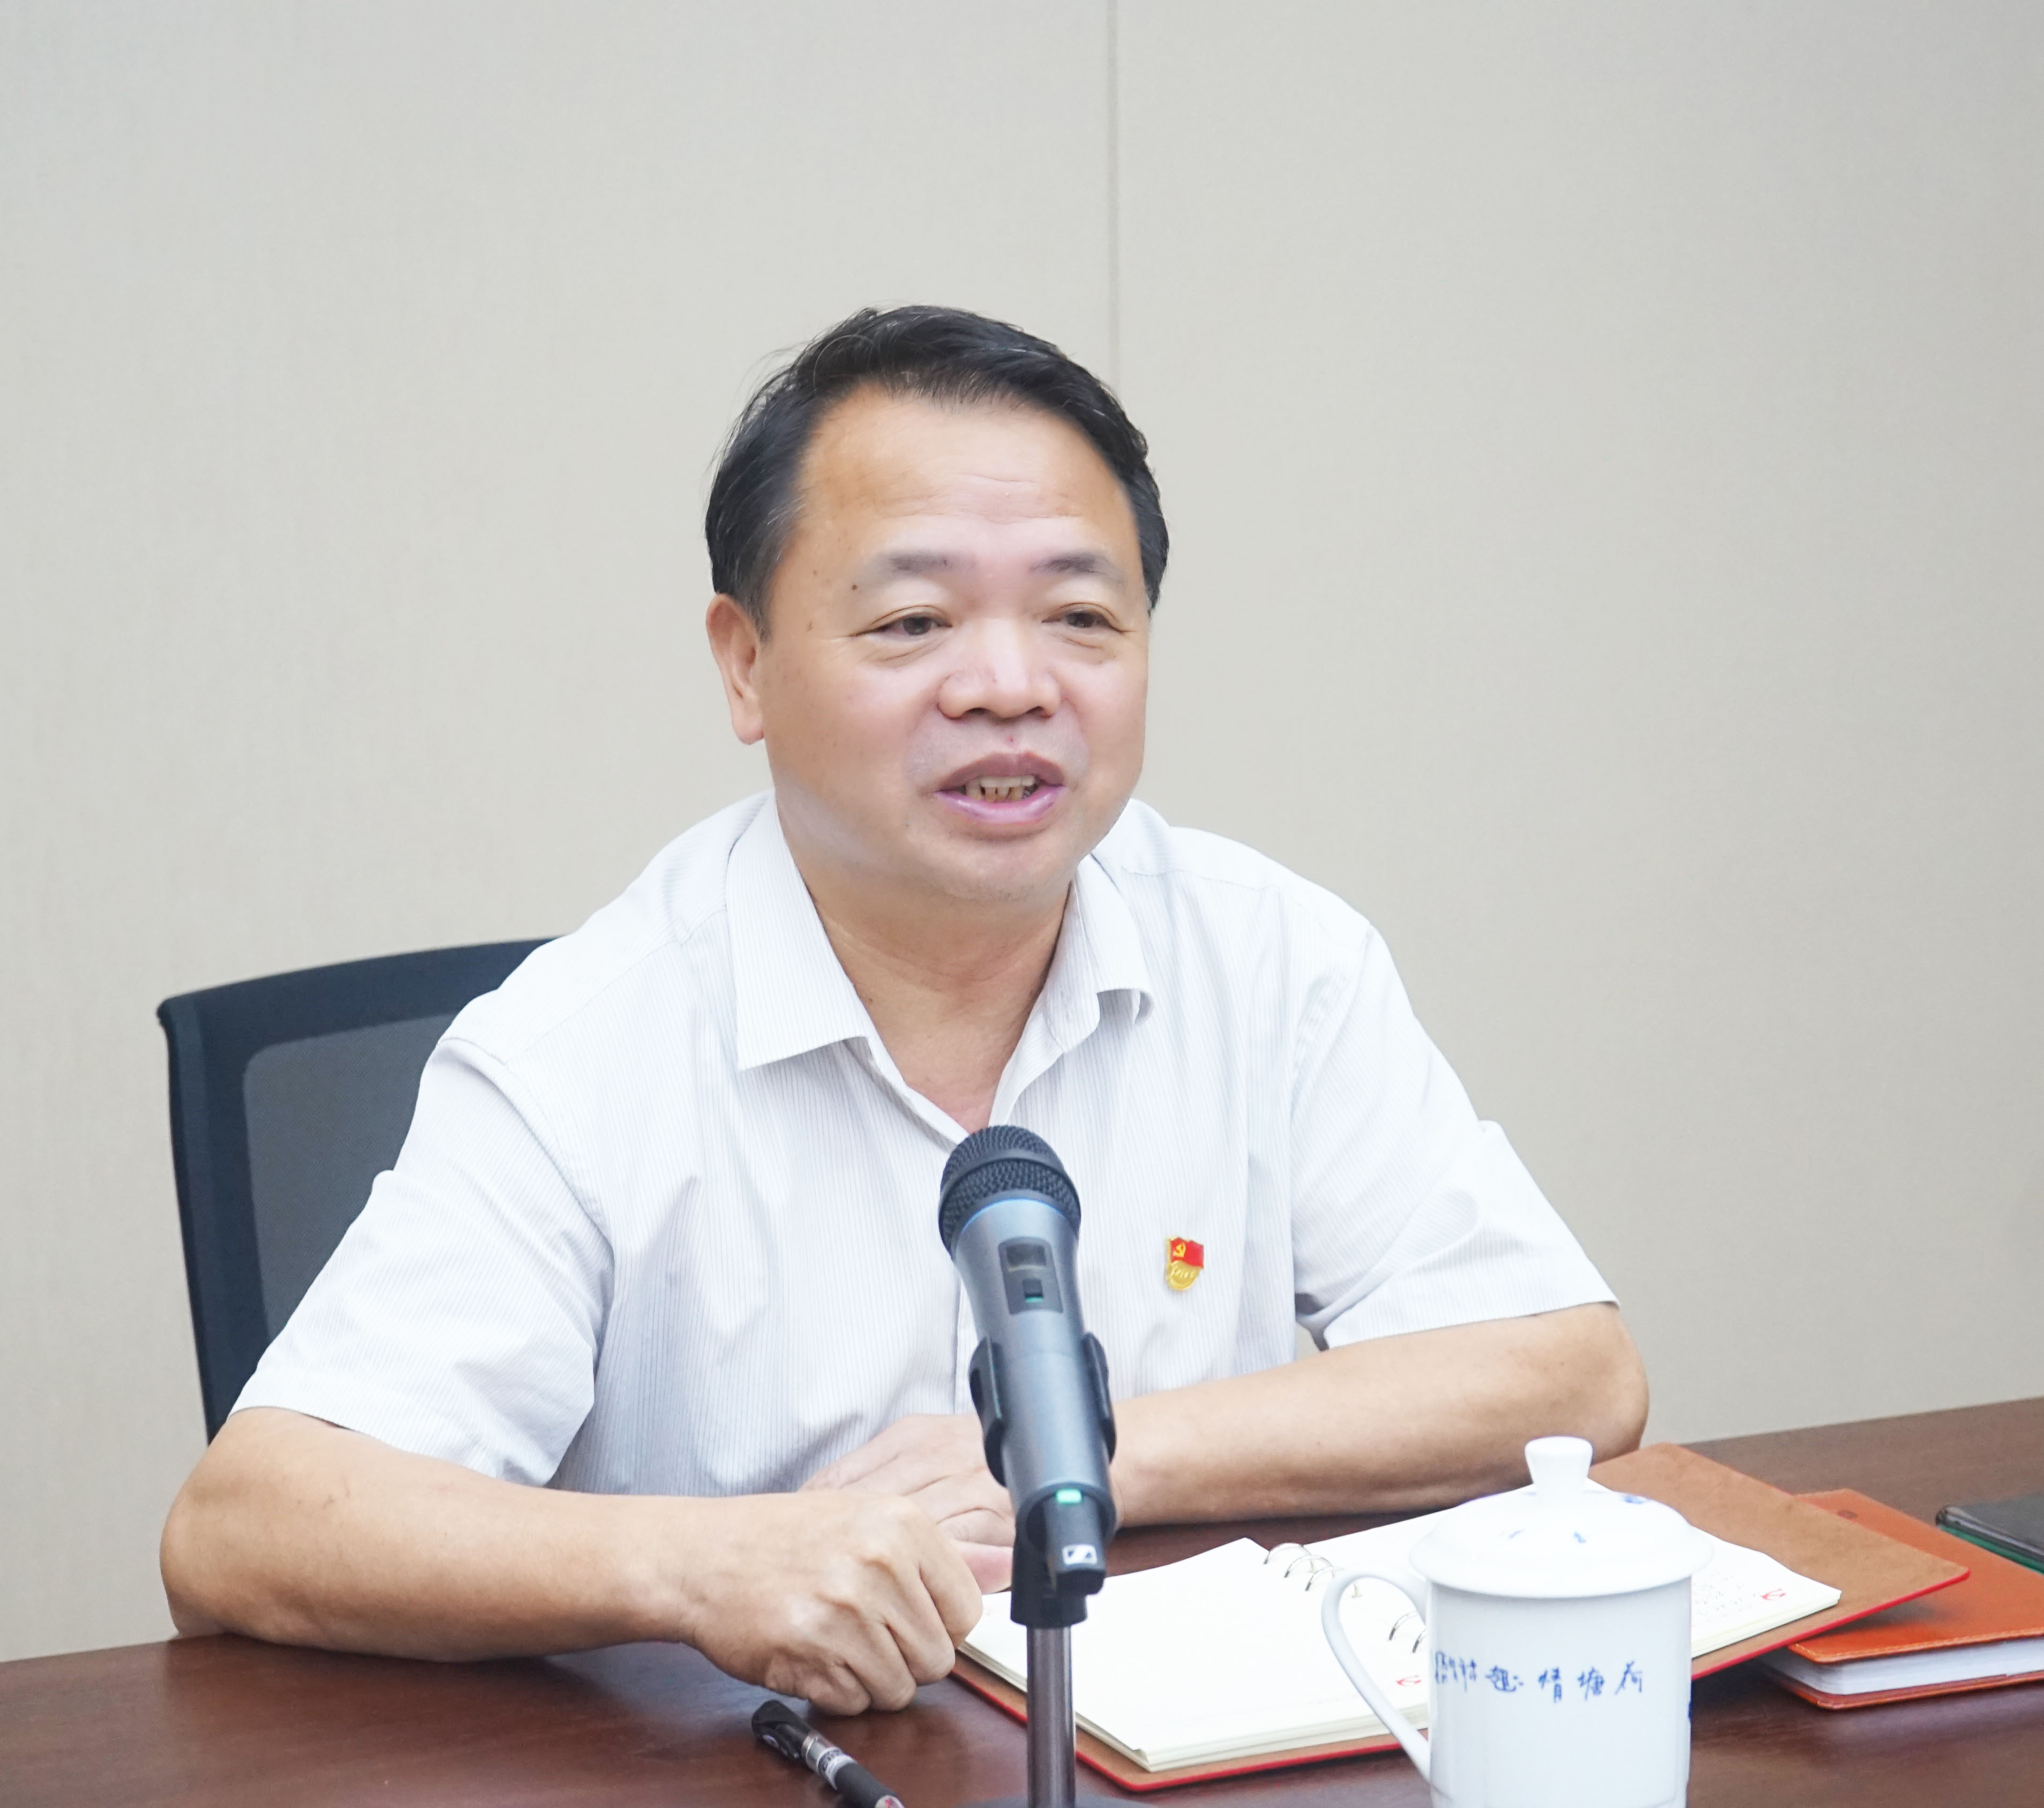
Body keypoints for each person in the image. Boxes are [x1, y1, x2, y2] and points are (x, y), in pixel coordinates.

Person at [161, 305, 1648, 1715]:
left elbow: (1571, 1372)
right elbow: (245, 1526)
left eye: (1081, 615)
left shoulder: (1270, 959)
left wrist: (1084, 1456)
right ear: (746, 666)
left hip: (1173, 1755)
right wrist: (702, 1564)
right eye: (915, 620)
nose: (1009, 685)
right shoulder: (585, 1044)